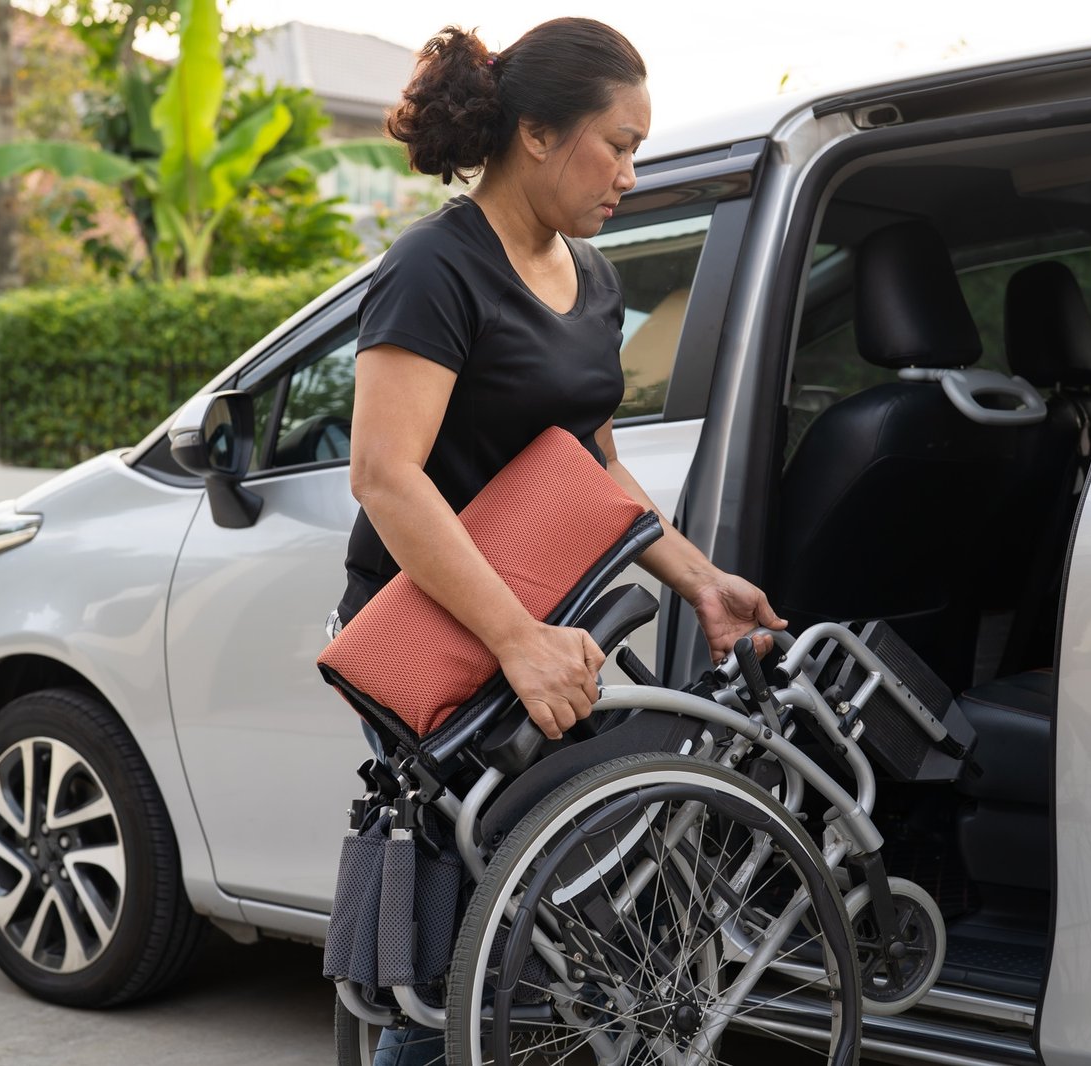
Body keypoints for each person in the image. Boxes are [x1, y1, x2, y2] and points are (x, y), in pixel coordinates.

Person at [333, 18, 785, 1065]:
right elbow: (385, 476)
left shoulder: (592, 277)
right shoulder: (435, 269)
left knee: (549, 930)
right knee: (450, 960)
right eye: (615, 143)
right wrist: (514, 639)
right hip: (437, 638)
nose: (630, 169)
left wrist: (701, 581)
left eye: (637, 146)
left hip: (543, 624)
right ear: (535, 134)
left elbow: (594, 470)